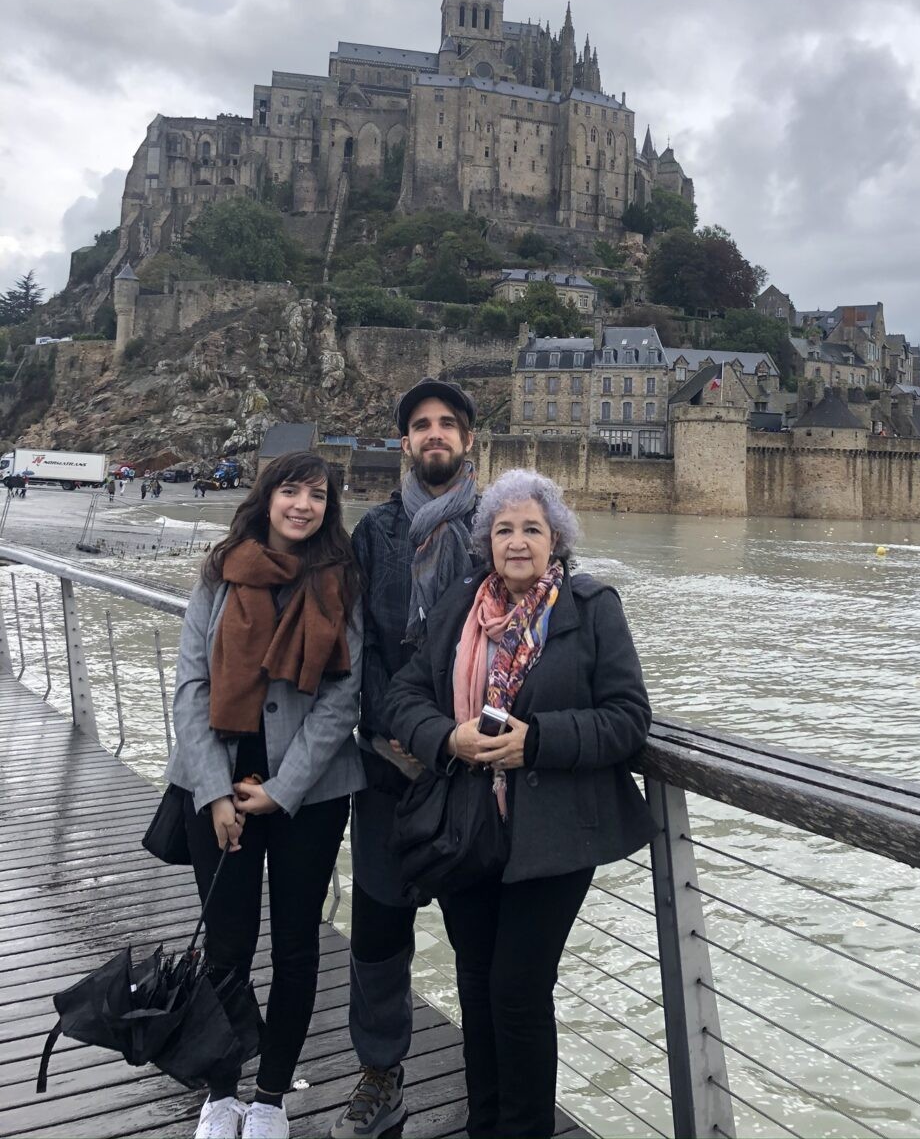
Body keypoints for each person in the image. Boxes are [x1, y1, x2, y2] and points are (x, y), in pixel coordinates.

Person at [387, 469, 656, 1139]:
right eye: (503, 529)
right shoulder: (457, 606)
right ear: (487, 542)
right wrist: (447, 736)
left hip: (553, 837)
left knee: (518, 991)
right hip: (466, 829)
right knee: (477, 987)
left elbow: (628, 720)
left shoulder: (592, 608)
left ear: (555, 540)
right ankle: (486, 1125)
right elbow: (401, 697)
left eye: (531, 529)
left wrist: (536, 744)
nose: (516, 541)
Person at [164, 452, 366, 1139]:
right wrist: (214, 792)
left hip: (309, 793)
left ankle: (272, 1096)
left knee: (296, 947)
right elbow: (190, 685)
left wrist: (284, 789)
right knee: (226, 947)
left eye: (317, 494)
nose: (303, 505)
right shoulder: (220, 574)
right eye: (291, 491)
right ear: (267, 497)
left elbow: (345, 697)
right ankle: (221, 1093)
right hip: (216, 783)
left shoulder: (341, 580)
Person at [329, 378, 478, 1139]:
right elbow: (356, 654)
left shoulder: (503, 526)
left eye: (447, 424)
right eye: (420, 425)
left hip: (477, 781)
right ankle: (380, 1075)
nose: (434, 435)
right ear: (404, 442)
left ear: (469, 440)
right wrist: (395, 728)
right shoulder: (375, 533)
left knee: (480, 942)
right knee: (380, 938)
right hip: (389, 772)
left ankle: (492, 1083)